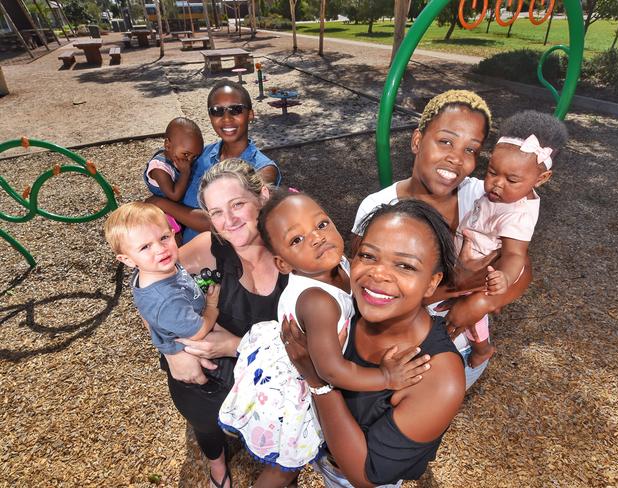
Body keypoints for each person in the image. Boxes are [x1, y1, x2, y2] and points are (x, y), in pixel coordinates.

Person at [218, 191, 429, 488]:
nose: (316, 238)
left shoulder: (338, 265)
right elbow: (329, 371)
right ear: (283, 264)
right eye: (297, 240)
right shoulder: (317, 301)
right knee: (287, 464)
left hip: (314, 356)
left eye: (321, 225)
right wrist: (385, 377)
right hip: (301, 384)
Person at [351, 89, 532, 389]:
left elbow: (523, 267)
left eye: (471, 150)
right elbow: (360, 289)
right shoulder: (378, 208)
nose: (456, 158)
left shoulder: (483, 198)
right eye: (445, 141)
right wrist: (454, 288)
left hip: (461, 345)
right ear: (417, 140)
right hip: (396, 354)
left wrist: (480, 303)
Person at [282, 199, 466, 488]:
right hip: (320, 452)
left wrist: (317, 380)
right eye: (368, 256)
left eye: (405, 265)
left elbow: (365, 476)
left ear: (432, 283)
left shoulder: (437, 377)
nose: (377, 274)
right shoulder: (344, 302)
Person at [160, 159, 289, 488]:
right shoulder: (207, 248)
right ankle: (217, 464)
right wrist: (172, 350)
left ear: (261, 196)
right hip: (210, 382)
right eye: (216, 212)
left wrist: (236, 344)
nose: (228, 221)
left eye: (237, 205)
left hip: (274, 382)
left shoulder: (293, 249)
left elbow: (315, 342)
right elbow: (148, 282)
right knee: (206, 423)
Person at [457, 110, 568, 367]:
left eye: (512, 179)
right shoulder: (499, 195)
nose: (497, 184)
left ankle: (482, 348)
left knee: (472, 311)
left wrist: (503, 279)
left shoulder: (519, 212)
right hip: (469, 253)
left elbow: (515, 254)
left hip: (483, 268)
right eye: (492, 171)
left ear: (541, 179)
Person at [147, 80, 280, 244]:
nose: (226, 118)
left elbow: (222, 223)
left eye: (236, 109)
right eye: (217, 111)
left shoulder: (263, 169)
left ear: (250, 114)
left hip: (225, 262)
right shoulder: (200, 155)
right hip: (185, 255)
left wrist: (159, 203)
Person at [103, 202, 222, 381]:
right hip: (195, 352)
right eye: (145, 247)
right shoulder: (166, 299)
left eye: (164, 237)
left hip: (182, 326)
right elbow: (198, 332)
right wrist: (212, 306)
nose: (160, 249)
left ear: (173, 233)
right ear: (127, 259)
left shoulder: (152, 270)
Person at [143, 118, 204, 242]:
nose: (189, 160)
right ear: (168, 145)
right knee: (172, 234)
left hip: (174, 205)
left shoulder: (177, 158)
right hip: (166, 209)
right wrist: (185, 173)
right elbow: (174, 196)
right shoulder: (159, 168)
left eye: (194, 156)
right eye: (186, 154)